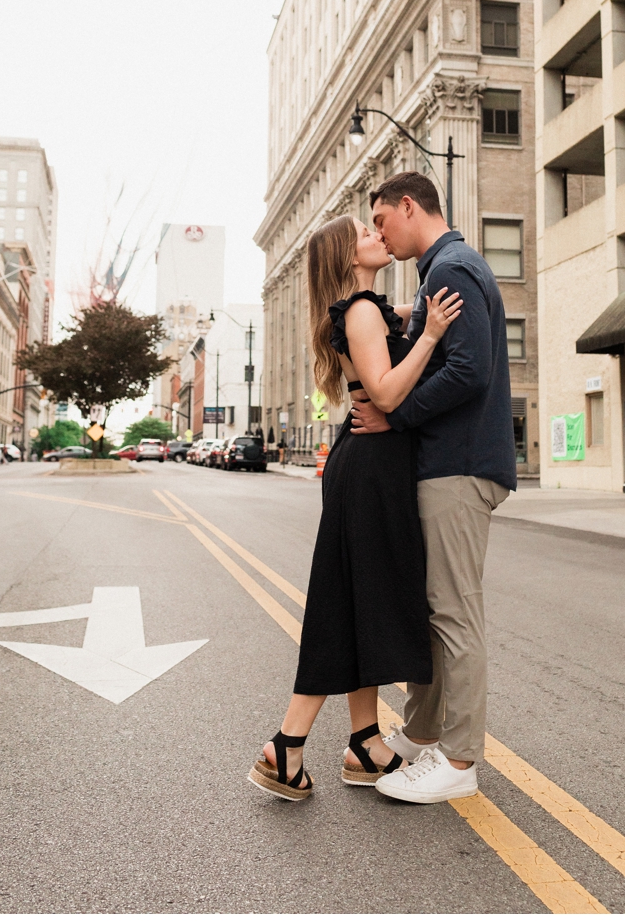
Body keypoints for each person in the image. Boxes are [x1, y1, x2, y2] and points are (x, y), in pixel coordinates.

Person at [249, 212, 461, 801]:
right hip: (370, 471)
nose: (378, 237)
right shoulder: (362, 312)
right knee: (347, 604)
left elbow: (392, 345)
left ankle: (364, 741)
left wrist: (416, 320)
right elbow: (389, 391)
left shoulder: (365, 308)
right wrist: (431, 337)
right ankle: (286, 747)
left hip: (368, 466)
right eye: (365, 235)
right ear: (348, 255)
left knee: (359, 601)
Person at [352, 171, 516, 804]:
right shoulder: (443, 272)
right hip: (449, 462)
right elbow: (452, 356)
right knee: (436, 609)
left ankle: (460, 759)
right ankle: (424, 736)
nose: (380, 234)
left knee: (454, 612)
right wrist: (408, 317)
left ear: (409, 206)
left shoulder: (451, 268)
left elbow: (470, 372)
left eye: (383, 221)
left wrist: (396, 415)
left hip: (460, 464)